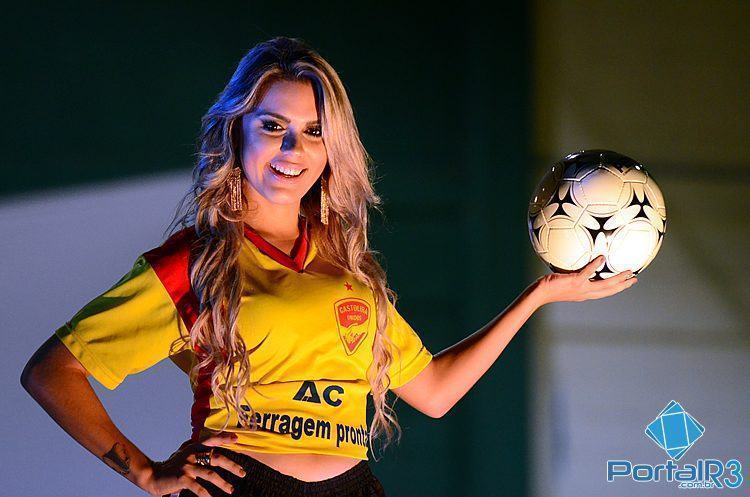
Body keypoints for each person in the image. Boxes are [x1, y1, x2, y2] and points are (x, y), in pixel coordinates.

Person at [20, 36, 638, 497]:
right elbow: (53, 371)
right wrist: (144, 470)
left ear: (333, 148)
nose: (294, 150)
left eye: (314, 131)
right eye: (273, 127)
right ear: (237, 133)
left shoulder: (347, 269)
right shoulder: (198, 261)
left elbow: (437, 392)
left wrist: (540, 296)